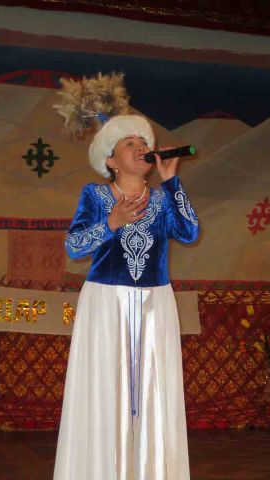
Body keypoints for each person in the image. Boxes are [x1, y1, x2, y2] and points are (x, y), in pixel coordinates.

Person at [53, 114, 199, 480]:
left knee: (155, 393)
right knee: (105, 392)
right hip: (107, 304)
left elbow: (190, 232)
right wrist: (111, 223)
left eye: (143, 142)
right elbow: (74, 246)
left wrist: (172, 180)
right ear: (111, 160)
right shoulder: (95, 195)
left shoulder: (162, 200)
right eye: (129, 144)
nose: (140, 147)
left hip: (155, 305)